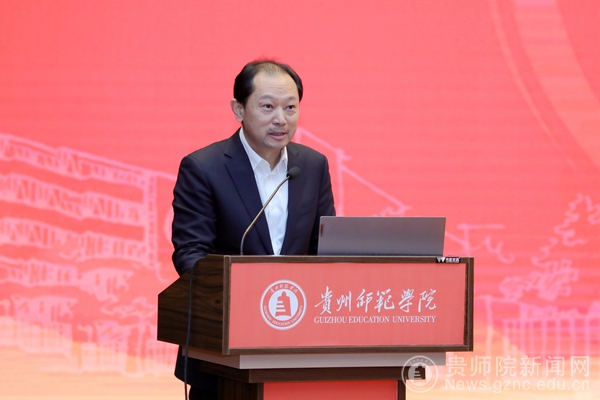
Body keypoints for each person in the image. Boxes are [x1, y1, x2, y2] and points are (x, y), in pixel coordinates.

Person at [170, 59, 336, 399]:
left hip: (298, 345)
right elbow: (190, 255)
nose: (281, 119)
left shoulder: (313, 165)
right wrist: (249, 296)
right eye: (268, 107)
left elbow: (323, 249)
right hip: (223, 352)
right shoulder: (204, 168)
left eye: (290, 107)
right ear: (238, 109)